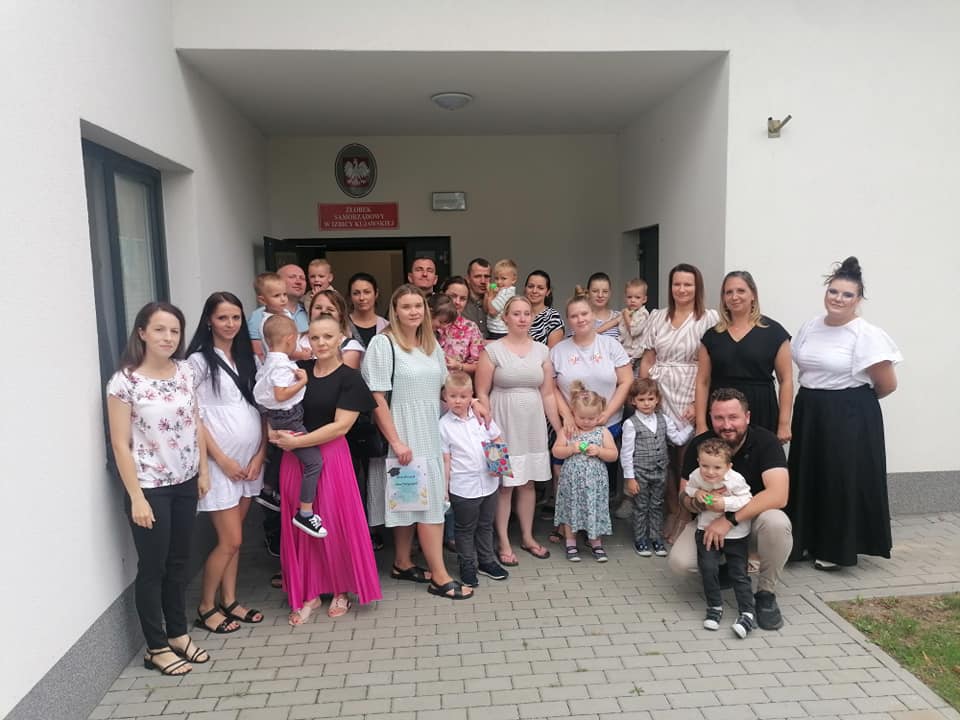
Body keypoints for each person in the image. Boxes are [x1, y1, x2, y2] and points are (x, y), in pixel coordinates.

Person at [106, 302, 210, 676]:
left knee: (180, 562)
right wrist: (136, 496)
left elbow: (195, 422)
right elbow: (120, 444)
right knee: (153, 567)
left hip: (185, 482)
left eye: (175, 331)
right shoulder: (124, 382)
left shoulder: (185, 372)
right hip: (150, 487)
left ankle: (178, 633)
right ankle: (156, 646)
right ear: (142, 333)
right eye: (160, 330)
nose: (168, 337)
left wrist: (203, 471)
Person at [787, 257, 902, 570]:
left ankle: (836, 549)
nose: (838, 298)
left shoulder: (866, 334)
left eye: (847, 294)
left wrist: (851, 407)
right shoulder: (810, 326)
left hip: (848, 413)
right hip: (810, 409)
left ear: (858, 299)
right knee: (809, 474)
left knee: (840, 478)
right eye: (833, 291)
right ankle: (804, 541)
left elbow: (887, 384)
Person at [362, 284, 475, 600]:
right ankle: (440, 576)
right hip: (403, 434)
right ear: (395, 311)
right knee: (428, 505)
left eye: (418, 306)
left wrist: (473, 401)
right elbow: (377, 398)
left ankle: (402, 562)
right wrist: (396, 441)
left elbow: (443, 388)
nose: (413, 312)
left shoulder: (430, 345)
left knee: (411, 500)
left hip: (429, 431)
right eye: (406, 306)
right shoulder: (383, 344)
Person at [272, 315, 382, 622]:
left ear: (340, 340)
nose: (320, 343)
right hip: (295, 457)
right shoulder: (299, 370)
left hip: (331, 457)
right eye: (315, 337)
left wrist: (297, 441)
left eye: (327, 337)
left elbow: (340, 427)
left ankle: (339, 589)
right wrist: (274, 433)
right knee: (301, 523)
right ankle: (308, 591)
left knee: (332, 522)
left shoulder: (350, 378)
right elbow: (273, 403)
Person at [668, 388, 791, 632]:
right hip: (708, 519)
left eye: (733, 417)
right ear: (710, 418)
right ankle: (725, 569)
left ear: (747, 416)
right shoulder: (700, 445)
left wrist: (729, 520)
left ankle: (765, 594)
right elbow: (684, 495)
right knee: (681, 563)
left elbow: (779, 495)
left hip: (752, 521)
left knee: (777, 523)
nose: (726, 425)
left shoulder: (766, 442)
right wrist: (698, 501)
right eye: (719, 418)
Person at [186, 292, 266, 636]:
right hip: (220, 465)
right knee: (230, 540)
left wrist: (260, 453)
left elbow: (264, 408)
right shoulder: (197, 362)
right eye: (222, 318)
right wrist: (221, 458)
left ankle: (229, 600)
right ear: (209, 320)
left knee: (237, 539)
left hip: (250, 463)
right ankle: (206, 606)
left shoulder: (249, 359)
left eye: (235, 317)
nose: (230, 324)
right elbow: (192, 415)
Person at [475, 296, 564, 566]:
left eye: (527, 313)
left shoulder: (542, 351)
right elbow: (482, 392)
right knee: (504, 485)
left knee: (528, 483)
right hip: (501, 425)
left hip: (532, 426)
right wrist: (490, 429)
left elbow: (548, 394)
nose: (522, 318)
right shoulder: (492, 351)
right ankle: (502, 540)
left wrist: (559, 429)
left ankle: (527, 536)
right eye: (516, 313)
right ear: (505, 318)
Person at [639, 263, 719, 542]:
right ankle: (672, 510)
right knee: (662, 458)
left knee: (687, 458)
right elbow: (648, 358)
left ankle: (687, 516)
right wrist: (644, 396)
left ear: (697, 287)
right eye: (677, 284)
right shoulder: (657, 317)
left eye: (688, 284)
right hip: (659, 393)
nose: (681, 289)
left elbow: (713, 366)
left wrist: (699, 406)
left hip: (690, 391)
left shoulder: (709, 318)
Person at [551, 290, 633, 509]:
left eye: (584, 313)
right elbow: (551, 388)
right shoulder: (558, 351)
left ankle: (596, 521)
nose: (580, 319)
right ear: (568, 320)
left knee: (600, 479)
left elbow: (626, 381)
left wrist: (607, 413)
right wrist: (567, 416)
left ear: (593, 315)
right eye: (574, 315)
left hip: (608, 423)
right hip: (573, 427)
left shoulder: (610, 345)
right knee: (568, 477)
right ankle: (567, 520)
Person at [694, 271, 793, 442]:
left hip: (761, 409)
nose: (734, 297)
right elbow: (702, 382)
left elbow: (786, 380)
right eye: (729, 292)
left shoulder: (774, 332)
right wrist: (701, 423)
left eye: (741, 291)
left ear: (753, 294)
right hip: (722, 412)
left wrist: (784, 423)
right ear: (723, 298)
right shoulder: (711, 336)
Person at [254, 315, 326, 538]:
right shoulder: (281, 365)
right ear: (289, 339)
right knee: (314, 462)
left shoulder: (268, 362)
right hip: (288, 417)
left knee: (281, 452)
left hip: (276, 416)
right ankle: (305, 512)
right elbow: (280, 394)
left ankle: (268, 490)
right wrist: (303, 381)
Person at [439, 371, 509, 587]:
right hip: (463, 486)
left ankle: (486, 561)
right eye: (453, 396)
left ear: (471, 396)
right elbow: (446, 459)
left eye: (463, 396)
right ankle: (467, 564)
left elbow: (496, 438)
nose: (458, 401)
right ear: (445, 396)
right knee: (465, 528)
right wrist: (445, 488)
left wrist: (498, 466)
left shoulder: (481, 417)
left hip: (489, 482)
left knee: (486, 524)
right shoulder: (443, 425)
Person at [684, 439, 755, 638]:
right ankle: (714, 606)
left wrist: (724, 503)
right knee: (708, 569)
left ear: (728, 466)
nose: (710, 472)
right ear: (698, 462)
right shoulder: (696, 475)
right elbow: (688, 489)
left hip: (735, 534)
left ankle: (747, 612)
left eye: (717, 467)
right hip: (706, 530)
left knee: (738, 573)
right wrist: (698, 493)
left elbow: (747, 499)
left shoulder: (735, 480)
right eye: (705, 465)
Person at [620, 378, 691, 557]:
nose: (646, 403)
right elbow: (626, 453)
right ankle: (640, 538)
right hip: (640, 473)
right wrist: (630, 478)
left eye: (650, 399)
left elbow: (677, 439)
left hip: (660, 472)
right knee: (641, 506)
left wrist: (692, 426)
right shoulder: (630, 424)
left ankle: (655, 538)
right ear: (633, 401)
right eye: (641, 399)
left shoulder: (664, 419)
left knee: (657, 505)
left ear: (657, 399)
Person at [551, 381, 618, 562]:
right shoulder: (568, 431)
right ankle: (570, 543)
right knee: (571, 509)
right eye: (582, 418)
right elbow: (556, 451)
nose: (587, 422)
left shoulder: (602, 432)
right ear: (573, 413)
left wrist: (600, 451)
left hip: (595, 483)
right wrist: (570, 449)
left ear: (599, 415)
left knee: (594, 508)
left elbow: (613, 454)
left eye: (591, 418)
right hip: (572, 481)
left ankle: (596, 543)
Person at [248, 264, 310, 352]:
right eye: (292, 277)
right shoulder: (258, 316)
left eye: (302, 278)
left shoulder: (309, 311)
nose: (298, 282)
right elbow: (258, 353)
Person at [303, 289, 365, 369]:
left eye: (330, 309)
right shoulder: (296, 340)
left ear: (340, 316)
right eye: (318, 308)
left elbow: (342, 375)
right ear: (310, 312)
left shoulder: (350, 346)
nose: (324, 312)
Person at [438, 275, 485, 376]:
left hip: (457, 383)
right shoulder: (428, 323)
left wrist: (459, 366)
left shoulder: (470, 328)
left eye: (463, 299)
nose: (457, 302)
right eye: (453, 296)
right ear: (442, 295)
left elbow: (479, 365)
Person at [524, 270, 564, 348]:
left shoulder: (553, 317)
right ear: (525, 288)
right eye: (530, 286)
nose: (534, 291)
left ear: (548, 292)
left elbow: (552, 353)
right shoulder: (516, 313)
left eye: (540, 288)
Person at [348, 272, 389, 349]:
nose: (362, 298)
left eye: (367, 292)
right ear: (350, 296)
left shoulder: (386, 326)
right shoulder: (341, 325)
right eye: (356, 293)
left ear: (376, 293)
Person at [618, 278, 650, 368]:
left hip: (637, 356)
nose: (633, 300)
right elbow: (613, 323)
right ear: (625, 298)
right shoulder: (625, 312)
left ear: (644, 299)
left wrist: (626, 316)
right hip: (625, 353)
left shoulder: (643, 314)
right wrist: (597, 331)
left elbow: (633, 331)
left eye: (637, 297)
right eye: (629, 297)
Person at [484, 258, 519, 340]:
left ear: (513, 280)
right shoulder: (500, 291)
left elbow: (492, 311)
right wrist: (487, 294)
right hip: (493, 330)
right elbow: (486, 309)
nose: (499, 282)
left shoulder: (506, 293)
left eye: (503, 278)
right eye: (496, 278)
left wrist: (490, 295)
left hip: (500, 332)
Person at [582, 272, 621, 339]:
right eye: (595, 291)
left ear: (610, 293)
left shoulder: (620, 316)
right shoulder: (580, 318)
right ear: (588, 293)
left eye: (605, 291)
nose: (600, 295)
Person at [463, 257, 492, 339]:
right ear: (468, 279)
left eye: (487, 276)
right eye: (477, 276)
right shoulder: (460, 303)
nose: (483, 281)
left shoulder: (498, 303)